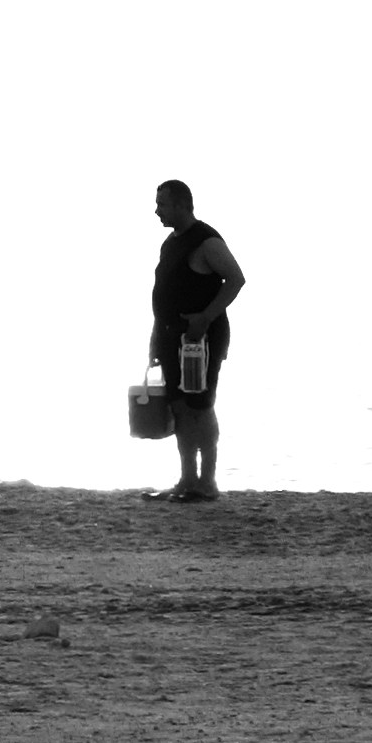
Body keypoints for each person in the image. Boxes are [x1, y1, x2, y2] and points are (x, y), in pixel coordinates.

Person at [147, 179, 244, 502]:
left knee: (199, 406)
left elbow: (236, 278)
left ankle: (207, 482)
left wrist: (205, 317)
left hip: (200, 340)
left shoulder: (206, 241)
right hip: (170, 336)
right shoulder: (170, 242)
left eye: (162, 204)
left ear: (181, 205)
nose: (157, 210)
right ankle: (187, 479)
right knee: (178, 405)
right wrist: (154, 340)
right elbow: (165, 295)